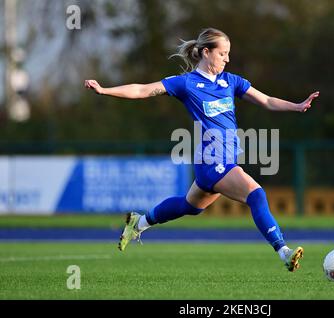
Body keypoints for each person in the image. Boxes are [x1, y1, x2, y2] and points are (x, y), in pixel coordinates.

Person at [85, 27, 319, 272]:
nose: (227, 59)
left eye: (228, 54)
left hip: (223, 160)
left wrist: (296, 106)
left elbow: (267, 100)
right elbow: (142, 89)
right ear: (206, 52)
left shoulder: (231, 81)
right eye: (223, 53)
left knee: (190, 207)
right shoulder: (186, 84)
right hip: (212, 160)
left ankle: (139, 222)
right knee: (256, 195)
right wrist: (104, 90)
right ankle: (283, 251)